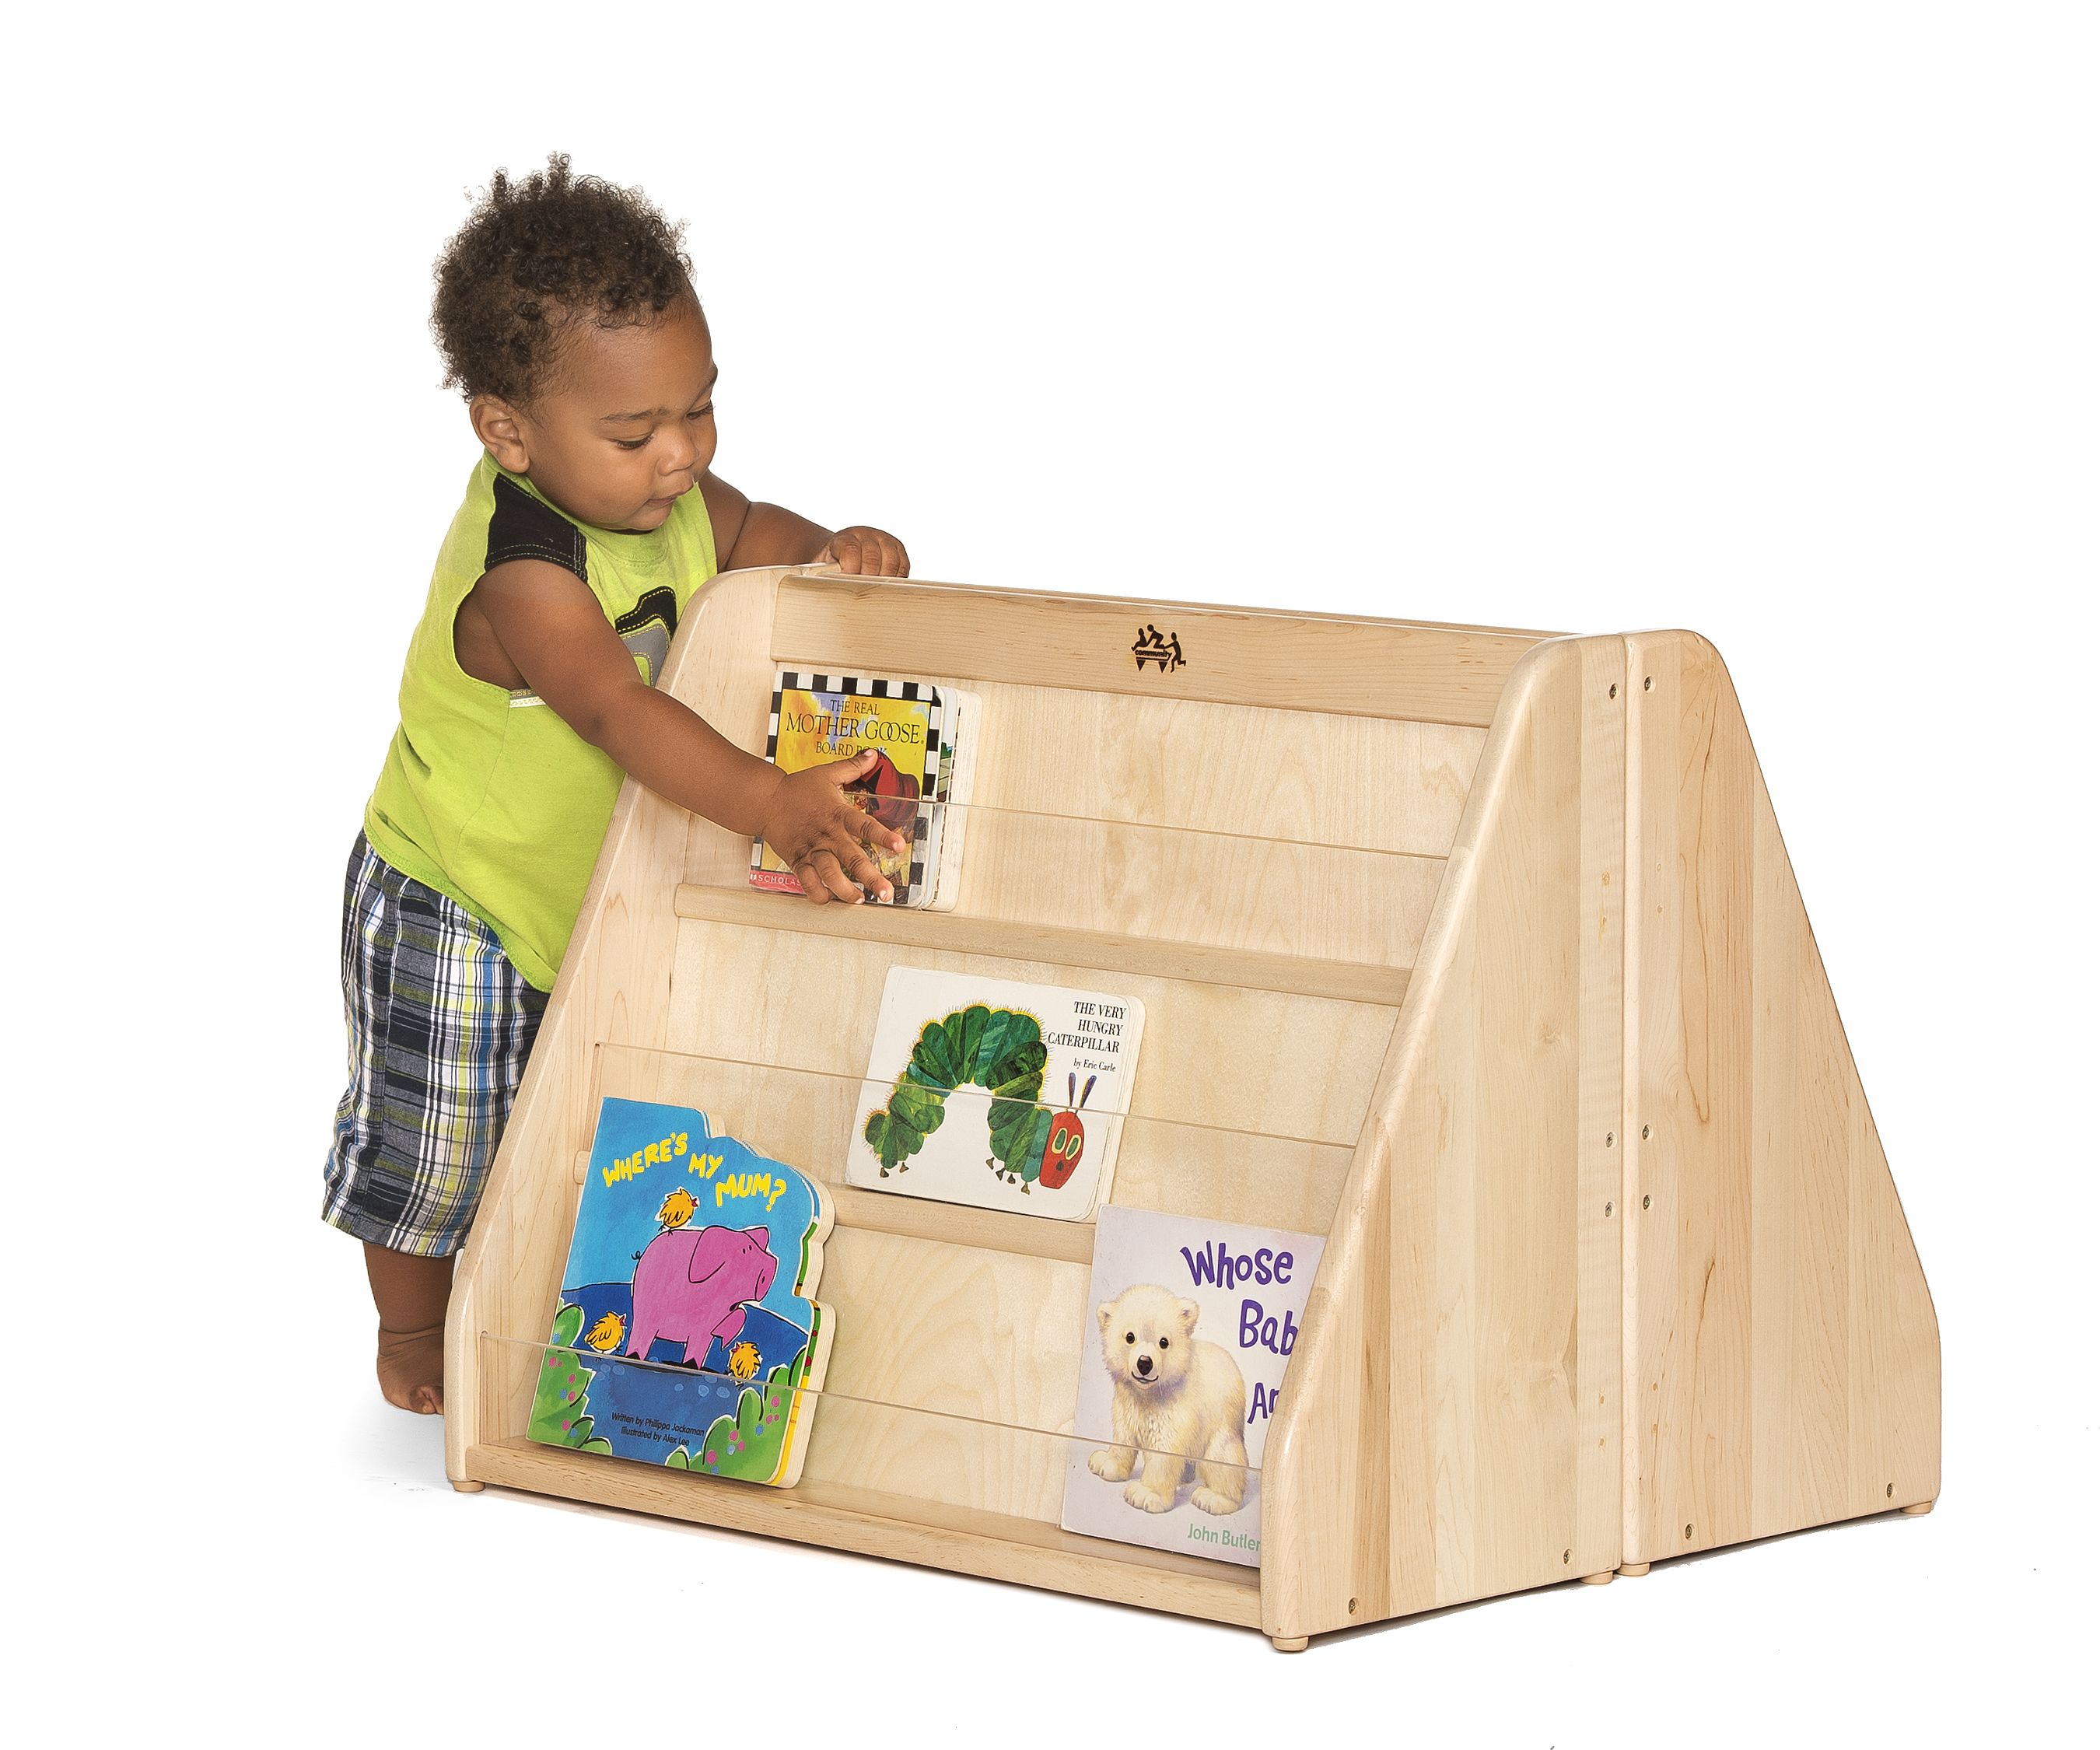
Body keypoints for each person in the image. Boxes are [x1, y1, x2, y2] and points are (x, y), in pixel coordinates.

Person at [324, 154, 911, 1414]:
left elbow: (750, 536)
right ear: (508, 430)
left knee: (576, 1108)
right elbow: (615, 705)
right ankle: (411, 1331)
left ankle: (554, 1305)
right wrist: (769, 800)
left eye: (699, 409)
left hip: (578, 885)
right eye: (638, 432)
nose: (681, 454)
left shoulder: (680, 496)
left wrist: (829, 553)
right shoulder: (522, 570)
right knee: (442, 1137)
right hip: (456, 892)